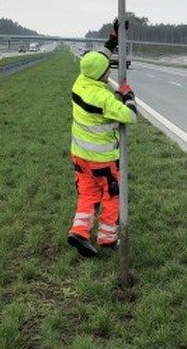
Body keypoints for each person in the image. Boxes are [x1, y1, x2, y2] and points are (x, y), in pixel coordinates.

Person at [67, 19, 137, 257]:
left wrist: (113, 41)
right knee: (112, 197)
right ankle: (107, 238)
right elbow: (130, 116)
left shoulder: (81, 82)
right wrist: (128, 96)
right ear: (102, 74)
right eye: (108, 68)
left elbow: (98, 61)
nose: (110, 69)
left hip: (79, 156)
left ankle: (79, 232)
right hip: (102, 160)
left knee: (87, 194)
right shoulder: (103, 98)